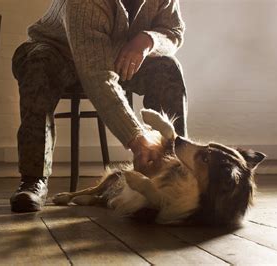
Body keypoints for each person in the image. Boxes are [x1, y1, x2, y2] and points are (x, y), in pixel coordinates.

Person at [10, 0, 188, 212]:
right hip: (58, 52)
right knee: (37, 65)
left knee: (167, 67)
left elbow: (173, 31)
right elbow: (97, 76)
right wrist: (137, 138)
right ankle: (33, 179)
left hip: (116, 54)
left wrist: (147, 40)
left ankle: (176, 169)